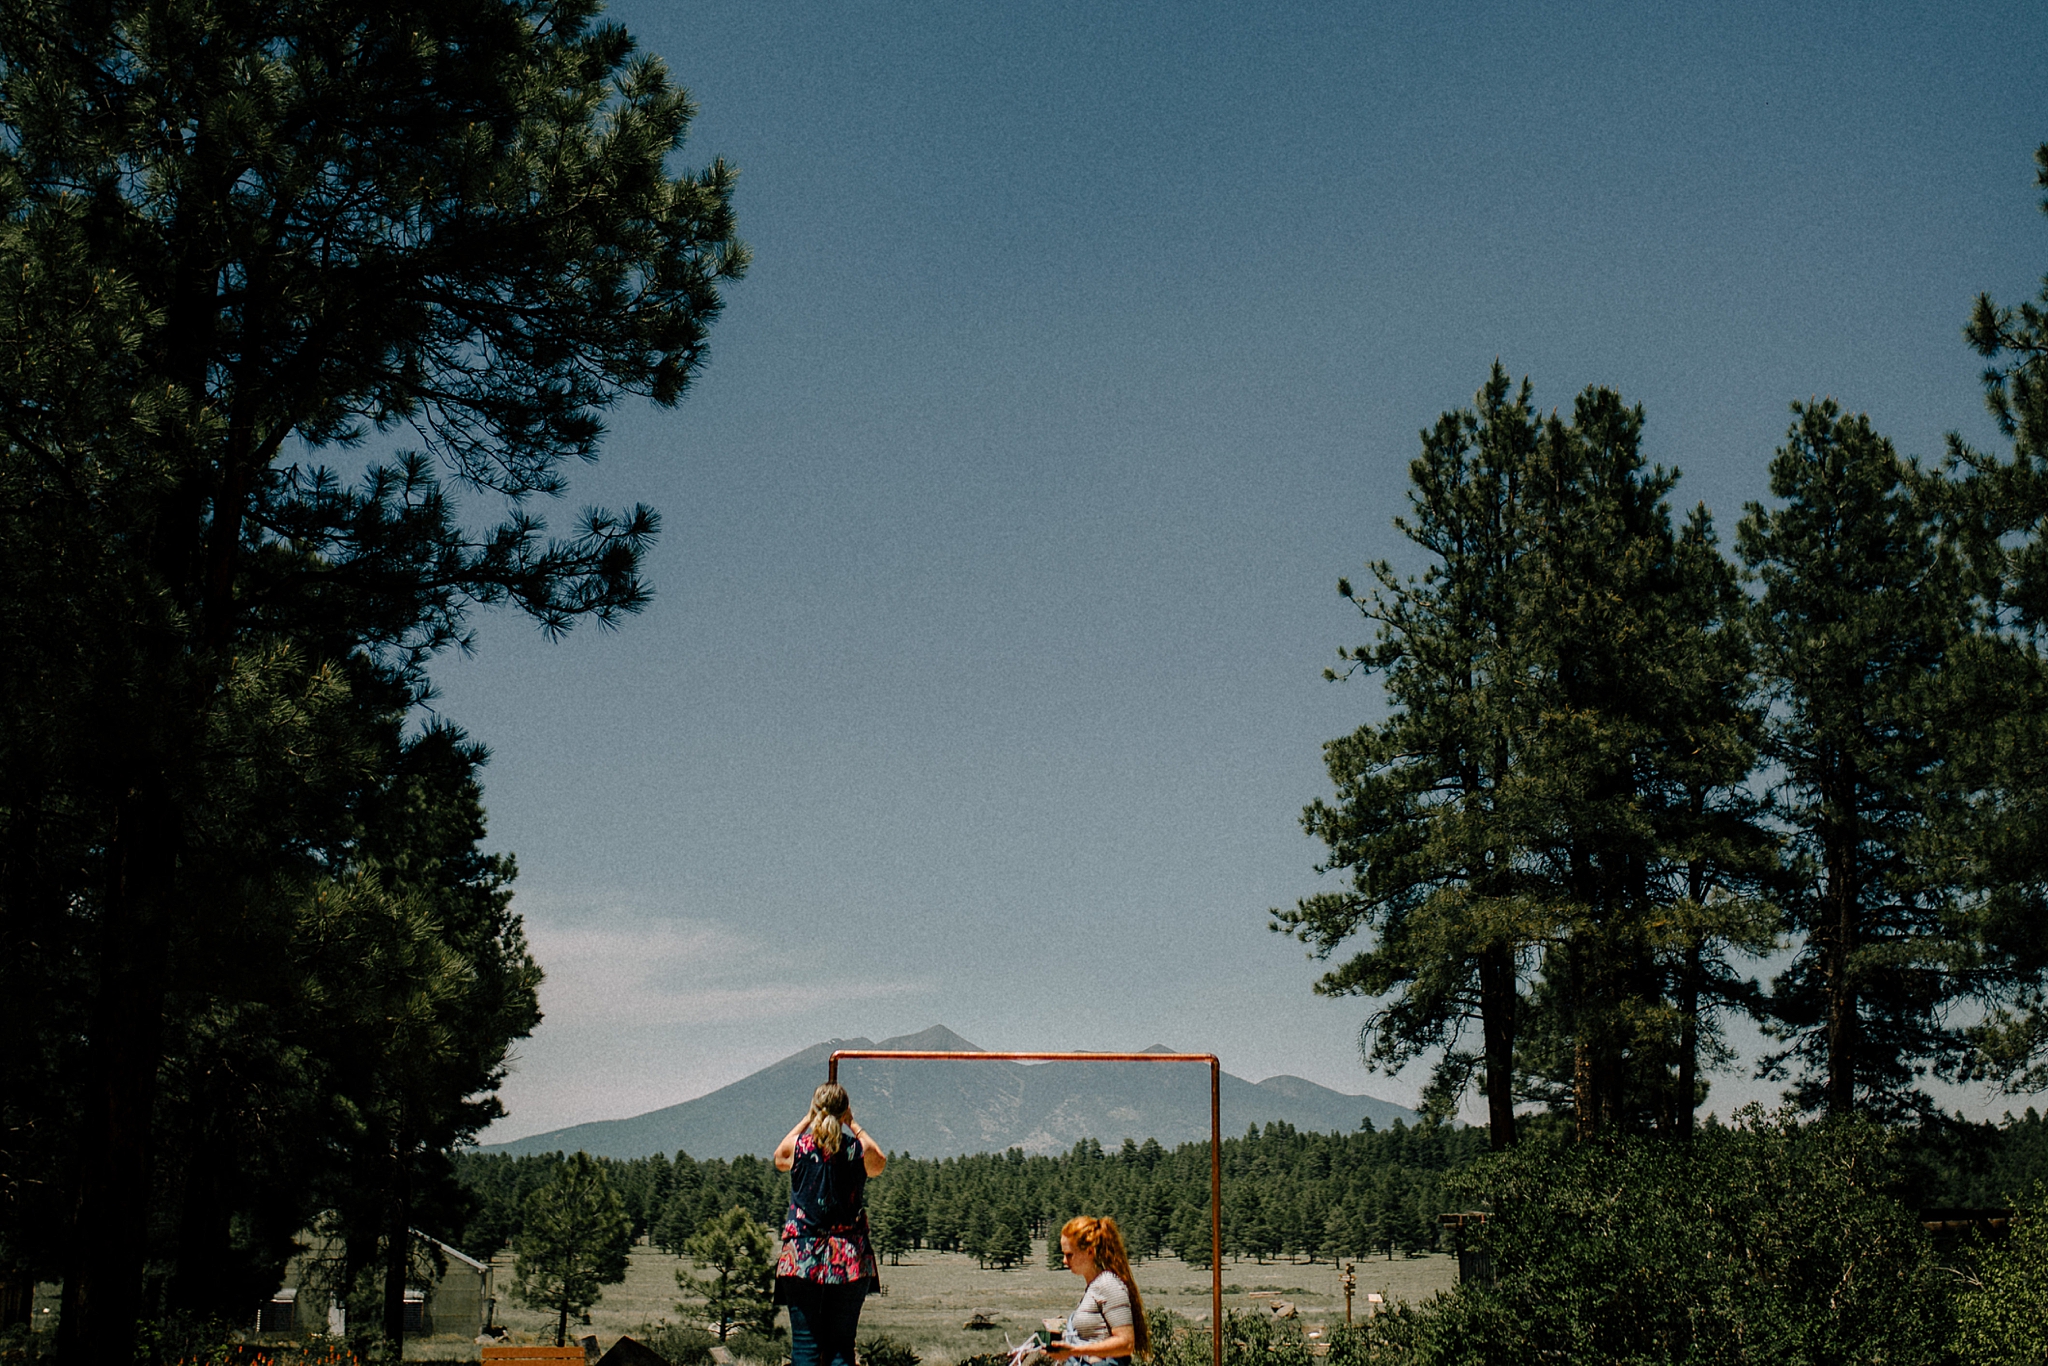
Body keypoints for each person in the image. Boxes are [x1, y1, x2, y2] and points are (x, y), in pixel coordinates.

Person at [773, 1083, 886, 1366]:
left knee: (805, 1345)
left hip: (800, 1254)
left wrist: (807, 1119)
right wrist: (853, 1123)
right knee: (841, 1347)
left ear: (816, 1109)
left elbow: (779, 1158)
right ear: (845, 1109)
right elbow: (879, 1162)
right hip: (848, 1256)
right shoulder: (856, 1149)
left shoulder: (799, 1147)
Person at [1043, 1216, 1149, 1365]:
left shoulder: (1108, 1284)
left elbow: (1126, 1343)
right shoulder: (1095, 1287)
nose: (1064, 1261)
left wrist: (1074, 1351)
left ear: (1090, 1252)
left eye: (1069, 1255)